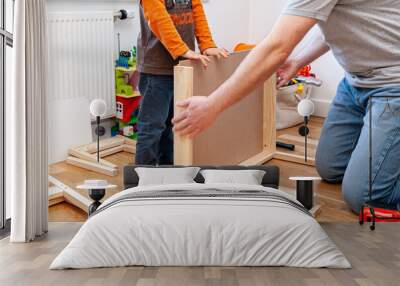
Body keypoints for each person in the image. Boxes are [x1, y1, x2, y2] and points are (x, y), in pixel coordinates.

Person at [172, 0, 400, 213]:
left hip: (393, 84)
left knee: (362, 198)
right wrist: (298, 61)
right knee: (331, 169)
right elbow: (337, 24)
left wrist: (213, 104)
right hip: (355, 82)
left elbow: (276, 48)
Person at [136, 0, 229, 165]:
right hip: (156, 69)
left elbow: (197, 13)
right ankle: (142, 177)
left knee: (174, 125)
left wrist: (207, 45)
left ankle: (168, 170)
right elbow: (159, 21)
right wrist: (182, 50)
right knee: (152, 128)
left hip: (181, 67)